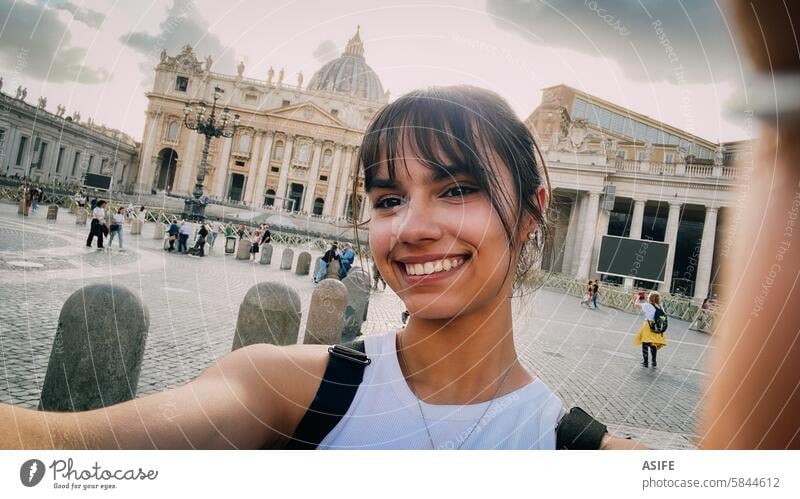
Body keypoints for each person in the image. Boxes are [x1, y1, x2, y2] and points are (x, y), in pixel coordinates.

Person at [0, 86, 643, 450]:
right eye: (389, 199)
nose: (414, 228)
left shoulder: (594, 460)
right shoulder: (280, 388)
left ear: (533, 212)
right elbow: (61, 450)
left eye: (456, 189)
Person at [633, 291, 667, 368]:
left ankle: (645, 362)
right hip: (657, 327)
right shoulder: (661, 307)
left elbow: (636, 304)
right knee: (653, 344)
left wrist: (638, 298)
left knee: (645, 343)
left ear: (650, 298)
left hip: (648, 326)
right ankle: (654, 361)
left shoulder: (647, 305)